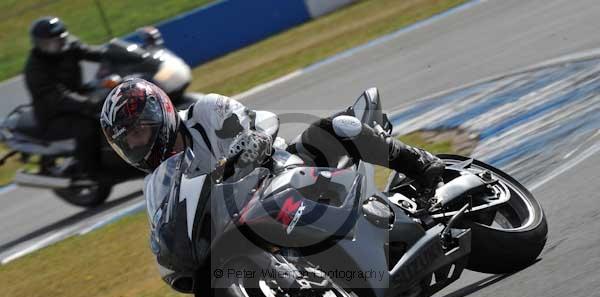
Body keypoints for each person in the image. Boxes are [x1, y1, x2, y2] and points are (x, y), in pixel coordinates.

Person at [99, 78, 444, 271]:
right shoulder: (161, 181)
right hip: (247, 222)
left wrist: (252, 143)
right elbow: (169, 221)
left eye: (139, 132)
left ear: (160, 113)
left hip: (286, 169)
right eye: (126, 141)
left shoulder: (205, 112)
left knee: (333, 127)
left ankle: (423, 165)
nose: (136, 145)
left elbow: (260, 120)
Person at [24, 16, 107, 176]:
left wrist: (116, 54)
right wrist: (89, 103)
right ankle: (92, 172)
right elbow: (58, 98)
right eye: (50, 43)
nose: (58, 45)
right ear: (39, 44)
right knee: (88, 127)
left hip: (77, 100)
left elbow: (93, 52)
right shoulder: (35, 69)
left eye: (60, 39)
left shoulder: (69, 47)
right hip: (54, 115)